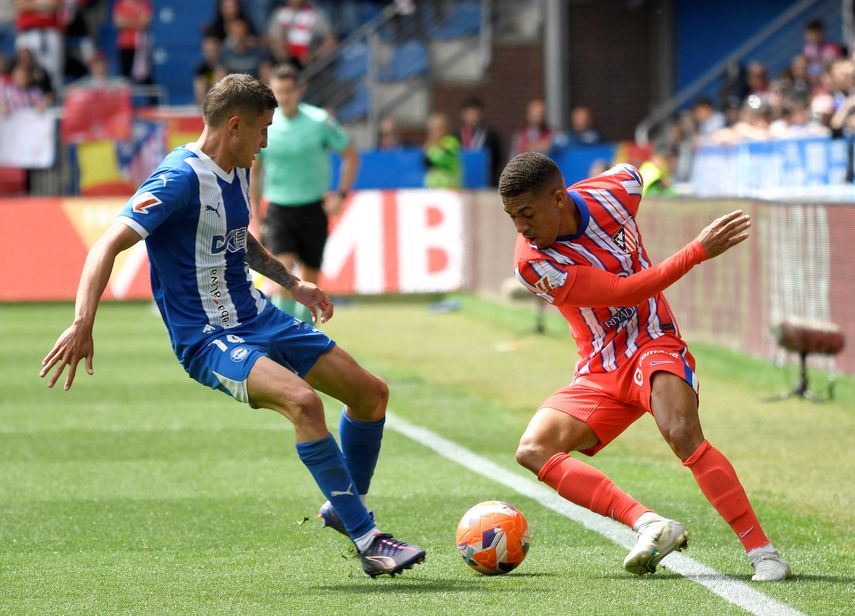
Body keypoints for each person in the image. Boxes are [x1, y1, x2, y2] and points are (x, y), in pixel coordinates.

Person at [39, 73, 424, 578]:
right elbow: (106, 245)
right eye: (263, 129)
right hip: (208, 338)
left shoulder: (238, 167)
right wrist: (82, 323)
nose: (266, 141)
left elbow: (238, 237)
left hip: (259, 315)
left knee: (371, 395)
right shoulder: (177, 178)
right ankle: (369, 540)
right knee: (303, 402)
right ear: (235, 125)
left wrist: (293, 283)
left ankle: (342, 506)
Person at [498, 151, 791, 582]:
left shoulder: (617, 191)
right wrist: (697, 251)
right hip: (599, 367)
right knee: (533, 450)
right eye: (512, 217)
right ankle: (650, 524)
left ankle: (763, 553)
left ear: (559, 198)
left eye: (526, 214)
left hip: (653, 340)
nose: (521, 228)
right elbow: (623, 291)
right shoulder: (532, 264)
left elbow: (635, 171)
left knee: (682, 432)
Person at [250, 64, 359, 322]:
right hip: (279, 209)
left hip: (313, 208)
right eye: (279, 91)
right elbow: (255, 172)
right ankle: (284, 337)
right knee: (284, 276)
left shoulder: (319, 121)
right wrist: (255, 214)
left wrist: (341, 195)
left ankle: (307, 337)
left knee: (311, 281)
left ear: (300, 90)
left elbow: (351, 155)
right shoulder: (265, 124)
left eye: (289, 90)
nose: (284, 97)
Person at [457, 97, 502, 186]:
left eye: (475, 114)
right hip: (460, 183)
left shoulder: (491, 136)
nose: (472, 118)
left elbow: (497, 160)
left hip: (486, 183)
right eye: (469, 114)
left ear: (481, 114)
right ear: (462, 115)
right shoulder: (455, 137)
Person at [423, 111, 461, 189]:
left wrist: (430, 152)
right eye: (431, 130)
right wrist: (427, 153)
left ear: (445, 129)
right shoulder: (431, 145)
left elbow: (444, 161)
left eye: (437, 129)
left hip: (450, 187)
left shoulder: (451, 142)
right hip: (433, 186)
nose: (433, 133)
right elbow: (427, 164)